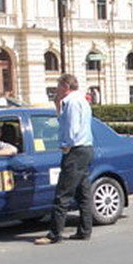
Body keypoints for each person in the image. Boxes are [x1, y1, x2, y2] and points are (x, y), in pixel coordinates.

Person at [35, 73, 95, 244]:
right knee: (83, 193)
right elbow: (65, 121)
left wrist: (66, 145)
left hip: (75, 150)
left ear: (66, 86)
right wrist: (57, 105)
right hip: (85, 148)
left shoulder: (71, 102)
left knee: (63, 193)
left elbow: (71, 126)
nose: (56, 89)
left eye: (58, 86)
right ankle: (84, 230)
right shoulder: (81, 100)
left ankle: (54, 234)